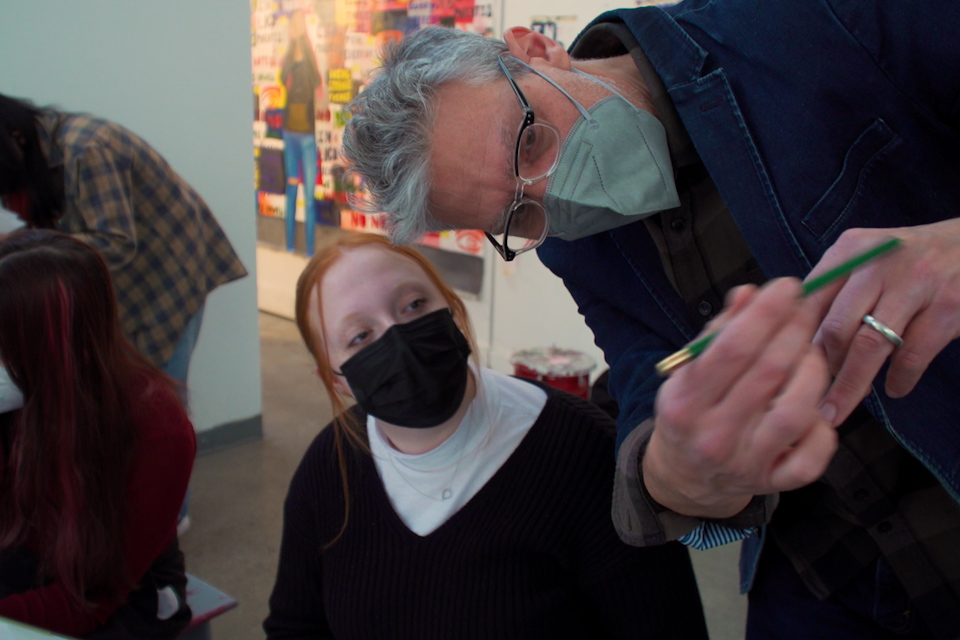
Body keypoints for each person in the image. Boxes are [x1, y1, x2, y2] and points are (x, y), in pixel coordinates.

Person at [340, 5, 960, 639]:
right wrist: (675, 470)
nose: (561, 192)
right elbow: (646, 376)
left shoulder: (803, 25)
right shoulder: (571, 243)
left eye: (529, 139)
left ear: (535, 49)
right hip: (832, 564)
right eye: (520, 216)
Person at [263, 233, 708, 640]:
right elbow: (296, 627)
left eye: (414, 305)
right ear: (336, 379)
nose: (397, 338)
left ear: (453, 311)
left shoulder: (580, 448)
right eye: (360, 336)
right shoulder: (328, 468)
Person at [0, 229, 195, 639]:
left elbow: (91, 602)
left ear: (47, 350)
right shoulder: (17, 403)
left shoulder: (156, 431)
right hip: (30, 562)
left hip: (116, 599)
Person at [279, 8, 326, 257]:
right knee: (291, 191)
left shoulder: (308, 59)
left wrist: (302, 42)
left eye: (296, 25)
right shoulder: (289, 59)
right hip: (290, 135)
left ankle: (309, 251)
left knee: (308, 197)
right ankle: (288, 246)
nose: (293, 29)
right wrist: (293, 45)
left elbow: (316, 80)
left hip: (306, 135)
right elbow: (281, 75)